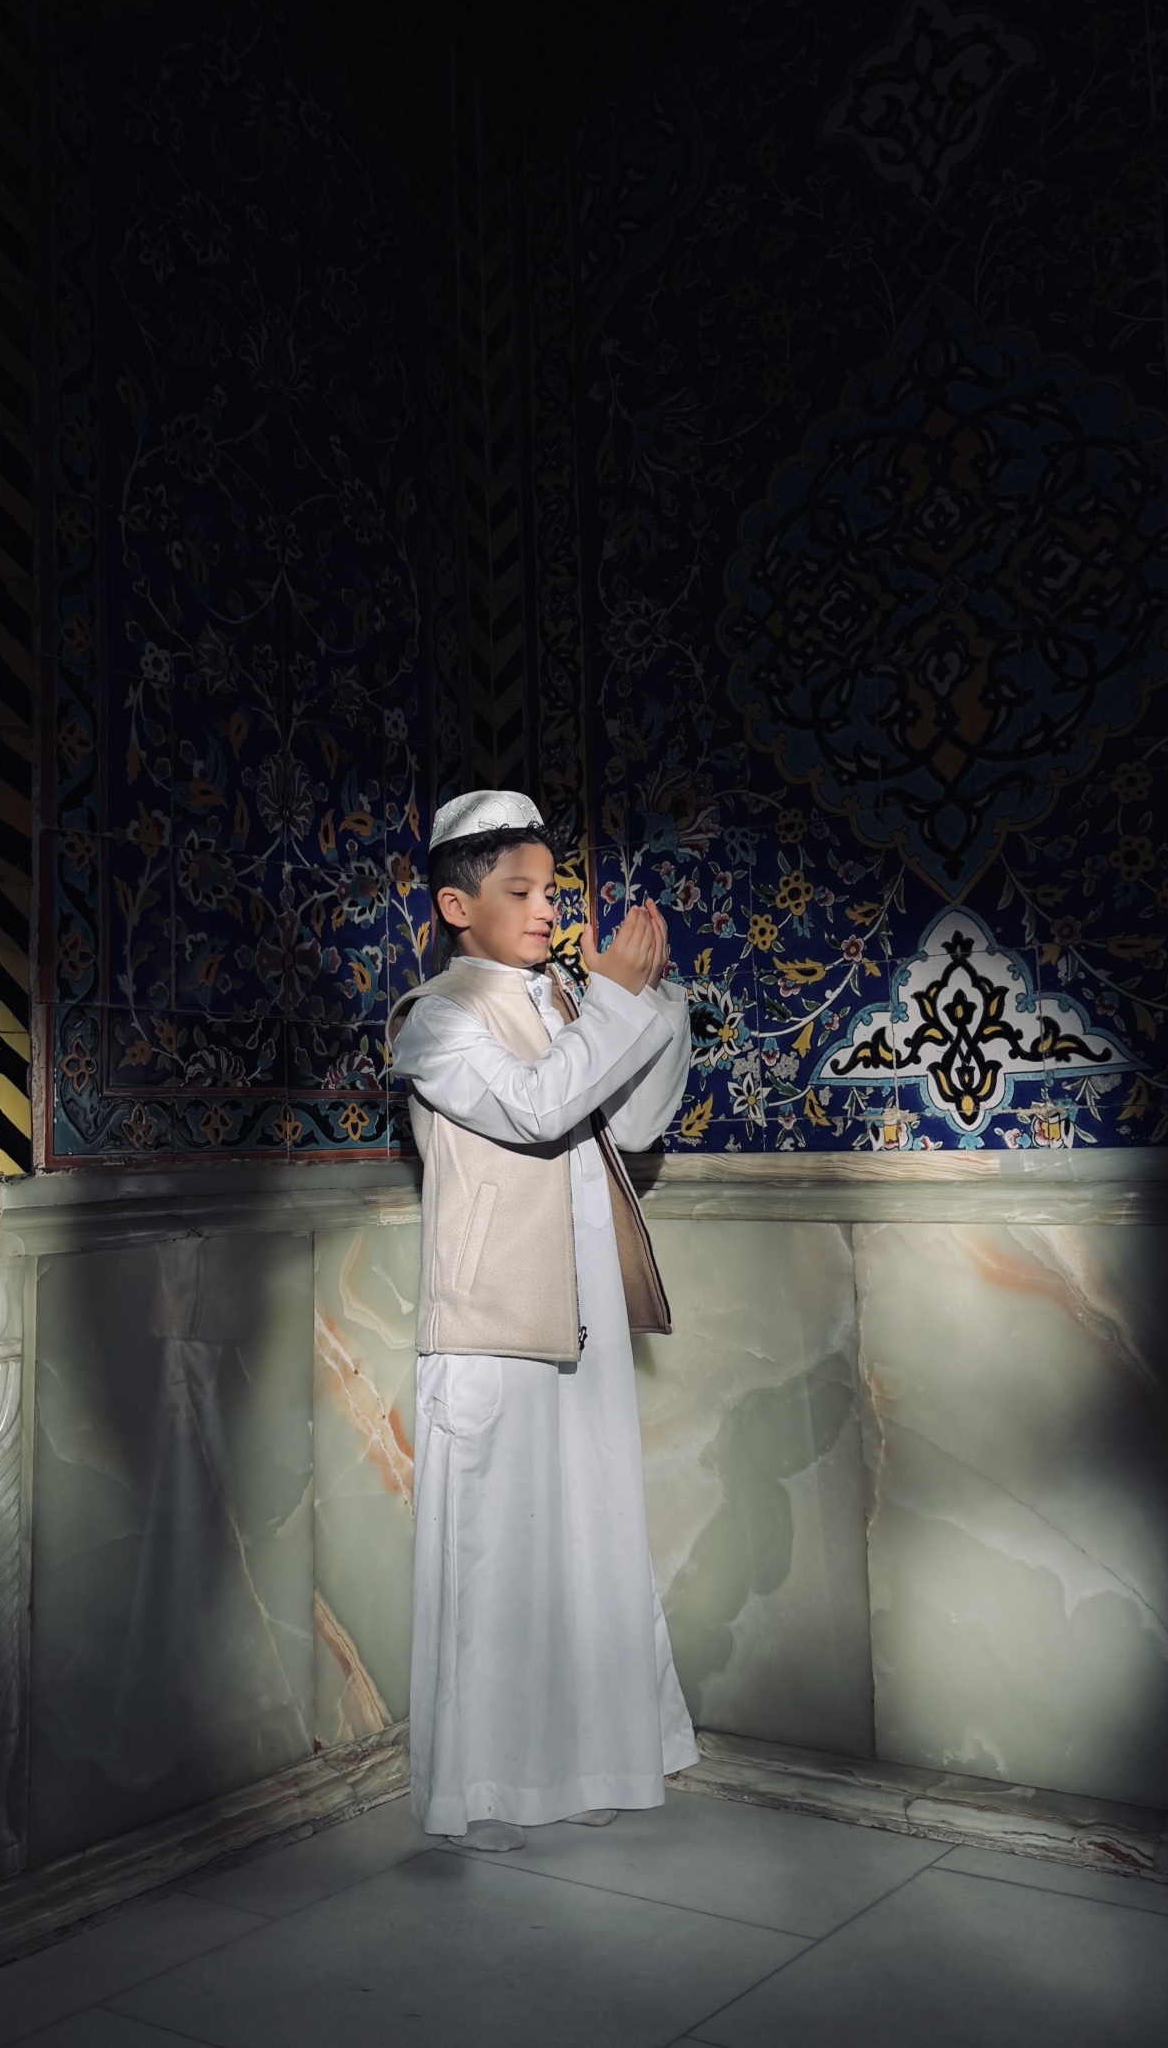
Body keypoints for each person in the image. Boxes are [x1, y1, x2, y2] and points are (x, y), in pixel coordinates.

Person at [387, 789, 698, 1850]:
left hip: (585, 1317)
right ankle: (480, 1790)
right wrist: (610, 1002)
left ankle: (588, 1765)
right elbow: (534, 1108)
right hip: (491, 1325)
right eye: (519, 891)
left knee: (589, 1548)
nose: (545, 909)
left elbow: (636, 1123)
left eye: (550, 891)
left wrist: (649, 1002)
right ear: (455, 906)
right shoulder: (436, 1018)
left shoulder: (570, 1000)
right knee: (494, 1561)